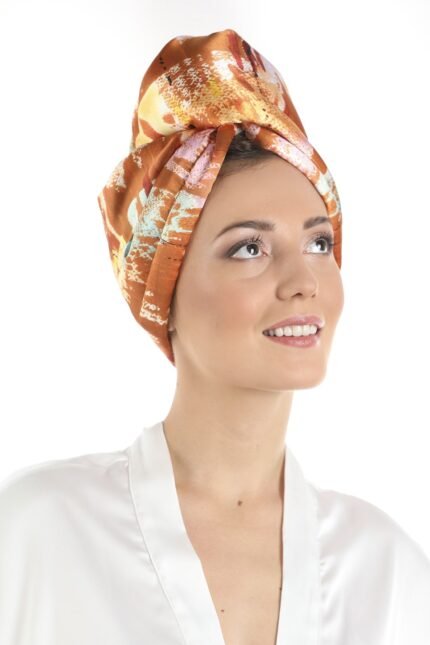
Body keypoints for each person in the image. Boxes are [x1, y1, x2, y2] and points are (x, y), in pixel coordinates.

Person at [1, 28, 430, 645]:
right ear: (165, 288)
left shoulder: (386, 572)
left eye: (319, 242)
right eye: (249, 248)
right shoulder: (39, 534)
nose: (303, 281)